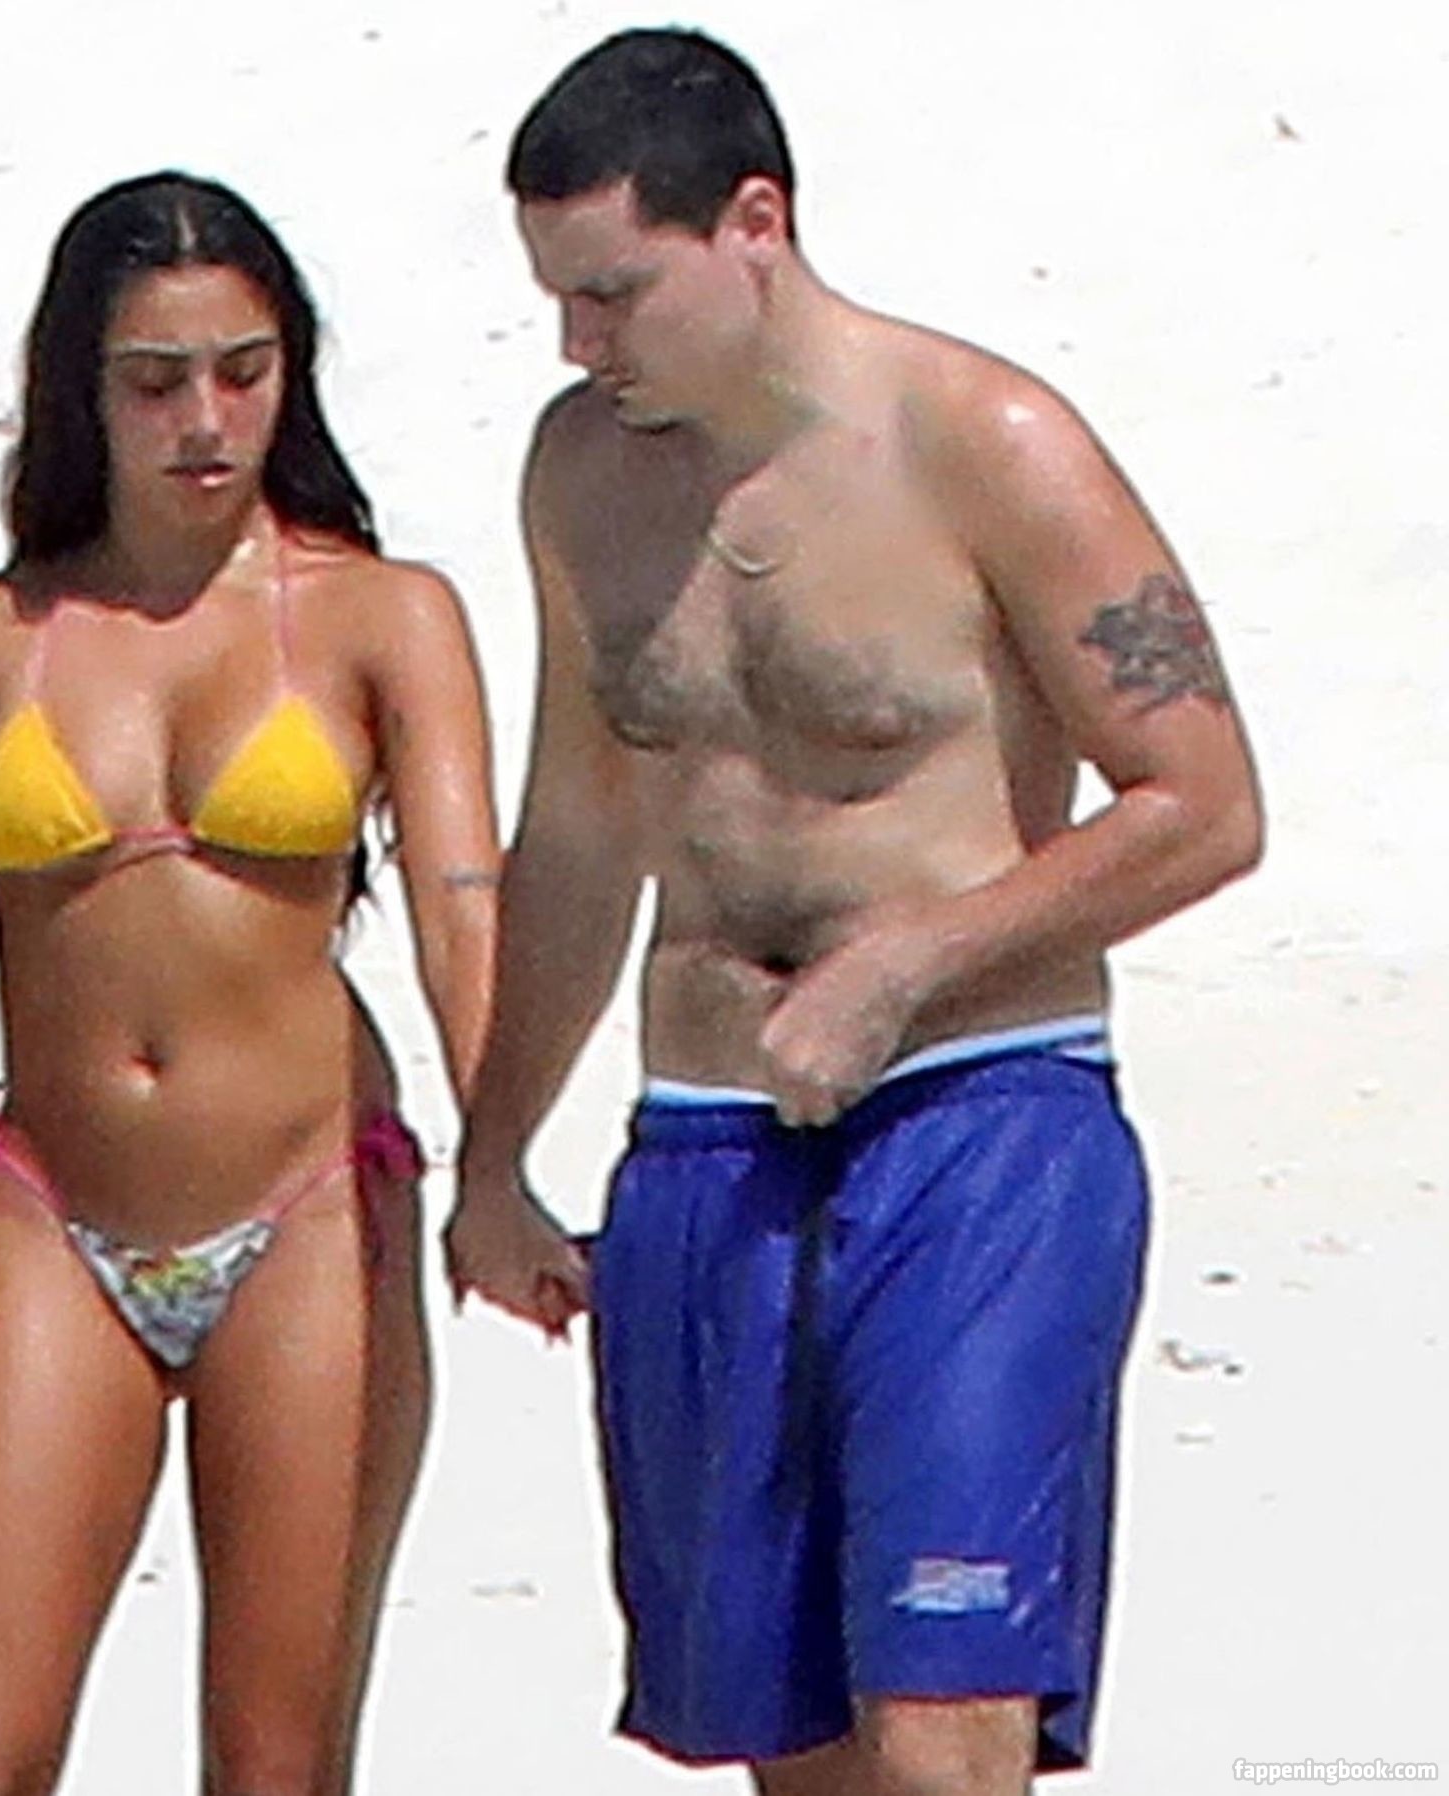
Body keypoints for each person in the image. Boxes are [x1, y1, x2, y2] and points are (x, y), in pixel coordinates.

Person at [447, 28, 1262, 1796]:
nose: (579, 342)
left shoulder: (988, 441)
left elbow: (1207, 804)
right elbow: (578, 830)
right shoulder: (581, 473)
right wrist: (493, 1155)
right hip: (707, 1135)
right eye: (558, 300)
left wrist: (908, 963)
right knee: (793, 1750)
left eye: (614, 294)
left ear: (755, 222)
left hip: (981, 1121)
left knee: (943, 1733)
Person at [0, 170, 499, 1796]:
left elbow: (462, 915)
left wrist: (504, 1173)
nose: (204, 421)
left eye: (243, 372)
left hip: (308, 1208)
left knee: (274, 1764)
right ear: (80, 388)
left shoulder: (384, 618)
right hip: (55, 1209)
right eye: (153, 381)